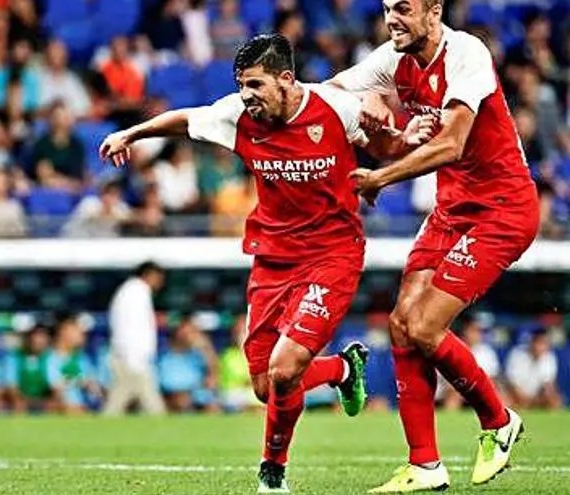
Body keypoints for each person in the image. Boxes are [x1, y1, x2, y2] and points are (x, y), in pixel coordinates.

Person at [100, 33, 435, 492]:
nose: (247, 96)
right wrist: (131, 133)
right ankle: (341, 369)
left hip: (332, 255)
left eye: (256, 85)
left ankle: (271, 474)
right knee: (264, 384)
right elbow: (186, 120)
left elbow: (382, 148)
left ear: (286, 79)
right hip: (272, 260)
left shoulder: (335, 107)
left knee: (284, 368)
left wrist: (405, 139)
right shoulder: (239, 114)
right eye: (242, 85)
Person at [328, 0, 533, 490]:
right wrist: (362, 104)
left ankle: (499, 420)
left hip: (502, 208)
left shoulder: (467, 54)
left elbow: (451, 145)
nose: (391, 19)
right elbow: (327, 92)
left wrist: (380, 175)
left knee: (423, 325)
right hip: (451, 209)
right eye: (385, 9)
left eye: (403, 8)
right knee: (401, 325)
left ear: (434, 11)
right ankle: (424, 465)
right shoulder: (392, 60)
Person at [101, 261, 168, 416]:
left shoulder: (133, 291)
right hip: (131, 358)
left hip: (130, 357)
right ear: (148, 275)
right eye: (158, 278)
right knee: (153, 406)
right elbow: (130, 329)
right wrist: (135, 359)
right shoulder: (136, 292)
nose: (160, 283)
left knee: (116, 403)